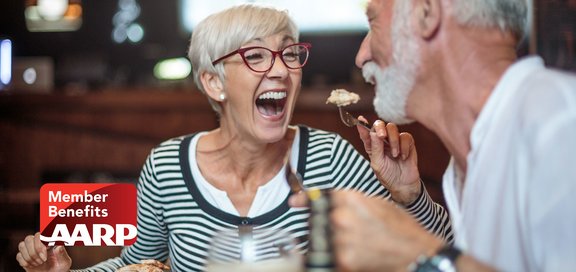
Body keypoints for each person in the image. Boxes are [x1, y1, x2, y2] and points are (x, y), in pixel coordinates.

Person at [15, 4, 452, 272]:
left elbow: (440, 256)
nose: (280, 69)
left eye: (289, 54)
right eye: (256, 56)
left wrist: (411, 197)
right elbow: (138, 266)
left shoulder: (330, 159)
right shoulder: (167, 166)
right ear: (213, 83)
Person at [327, 0, 576, 271]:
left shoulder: (559, 123)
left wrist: (418, 252)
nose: (361, 56)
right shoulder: (463, 163)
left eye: (373, 23)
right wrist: (411, 199)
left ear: (427, 12)